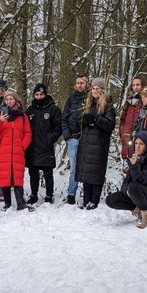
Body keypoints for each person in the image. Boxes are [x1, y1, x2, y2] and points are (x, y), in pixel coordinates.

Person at [105, 131, 147, 228]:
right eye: (136, 143)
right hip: (137, 193)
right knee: (111, 200)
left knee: (133, 186)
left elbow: (142, 180)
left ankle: (146, 215)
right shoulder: (136, 159)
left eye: (141, 144)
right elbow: (125, 182)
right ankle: (138, 207)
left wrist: (133, 166)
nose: (137, 146)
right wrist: (126, 191)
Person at [76, 77, 116, 209]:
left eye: (97, 88)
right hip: (86, 143)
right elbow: (79, 123)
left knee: (96, 173)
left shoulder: (108, 106)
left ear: (102, 90)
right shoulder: (88, 105)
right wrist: (84, 120)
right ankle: (86, 200)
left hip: (99, 143)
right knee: (86, 173)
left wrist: (96, 119)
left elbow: (110, 125)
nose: (94, 91)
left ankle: (94, 200)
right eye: (93, 88)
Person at [0, 90, 33, 210]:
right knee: (5, 176)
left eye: (11, 99)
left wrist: (22, 145)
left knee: (17, 176)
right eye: (7, 99)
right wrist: (0, 121)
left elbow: (28, 133)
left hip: (17, 151)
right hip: (2, 151)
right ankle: (7, 204)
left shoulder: (22, 116)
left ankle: (21, 203)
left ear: (16, 100)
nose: (9, 101)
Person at [25, 83, 62, 204]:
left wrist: (50, 139)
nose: (39, 96)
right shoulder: (29, 110)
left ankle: (49, 195)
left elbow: (58, 126)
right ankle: (33, 195)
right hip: (32, 147)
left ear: (45, 94)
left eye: (41, 94)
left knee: (48, 174)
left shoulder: (53, 109)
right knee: (33, 174)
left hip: (46, 146)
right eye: (37, 94)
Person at [61, 74, 89, 204]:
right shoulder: (71, 99)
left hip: (87, 138)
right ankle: (71, 194)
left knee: (88, 167)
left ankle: (88, 195)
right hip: (73, 138)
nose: (79, 85)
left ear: (87, 84)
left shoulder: (90, 98)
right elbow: (64, 118)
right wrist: (68, 136)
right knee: (74, 168)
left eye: (82, 83)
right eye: (77, 83)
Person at [118, 75, 145, 159]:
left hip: (140, 140)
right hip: (127, 138)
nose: (135, 87)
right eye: (133, 85)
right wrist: (123, 132)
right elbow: (122, 120)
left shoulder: (145, 101)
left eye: (138, 85)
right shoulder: (128, 102)